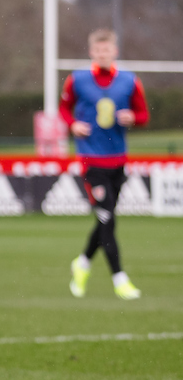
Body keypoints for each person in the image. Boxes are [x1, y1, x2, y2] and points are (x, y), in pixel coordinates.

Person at [61, 28, 148, 300]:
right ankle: (119, 279)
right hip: (91, 161)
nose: (102, 54)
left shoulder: (130, 81)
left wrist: (133, 118)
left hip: (118, 160)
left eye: (106, 49)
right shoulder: (77, 80)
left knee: (105, 219)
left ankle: (83, 262)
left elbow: (143, 114)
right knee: (108, 219)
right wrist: (72, 124)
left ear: (114, 51)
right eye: (97, 50)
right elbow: (64, 109)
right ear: (91, 53)